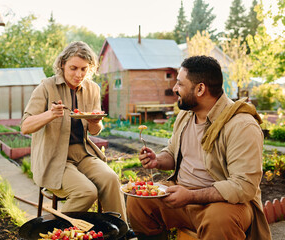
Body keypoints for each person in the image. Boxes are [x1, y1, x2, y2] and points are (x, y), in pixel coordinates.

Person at [126, 55, 271, 239]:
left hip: (222, 204)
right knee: (137, 202)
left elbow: (243, 186)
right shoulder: (185, 116)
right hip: (182, 197)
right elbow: (173, 152)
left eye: (180, 84)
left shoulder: (241, 125)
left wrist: (191, 196)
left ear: (200, 88)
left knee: (219, 220)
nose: (174, 88)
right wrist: (158, 160)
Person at [21, 41, 126, 220]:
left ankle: (121, 231)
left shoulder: (92, 89)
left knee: (111, 179)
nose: (79, 74)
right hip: (53, 157)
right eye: (73, 68)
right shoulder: (46, 87)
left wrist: (95, 122)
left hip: (82, 153)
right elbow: (25, 126)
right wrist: (50, 114)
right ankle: (55, 232)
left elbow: (95, 131)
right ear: (62, 64)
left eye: (84, 69)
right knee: (86, 192)